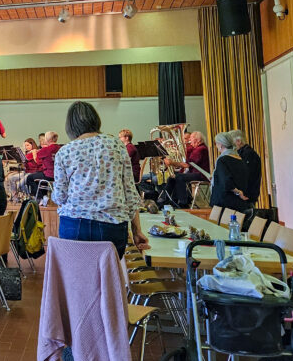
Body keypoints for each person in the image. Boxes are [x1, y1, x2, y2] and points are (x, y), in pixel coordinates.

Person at [52, 101, 149, 258]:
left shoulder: (64, 152)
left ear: (70, 126)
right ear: (95, 120)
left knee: (77, 278)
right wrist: (137, 230)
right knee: (108, 278)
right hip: (112, 226)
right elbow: (130, 192)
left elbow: (60, 197)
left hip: (74, 225)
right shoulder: (117, 146)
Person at [163, 131, 210, 208]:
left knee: (179, 177)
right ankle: (167, 200)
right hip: (195, 173)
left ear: (198, 140)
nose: (189, 141)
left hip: (201, 174)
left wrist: (171, 162)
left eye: (191, 139)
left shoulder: (201, 149)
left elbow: (187, 165)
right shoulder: (196, 148)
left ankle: (183, 202)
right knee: (172, 177)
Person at [210, 132, 251, 214]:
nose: (216, 146)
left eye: (216, 143)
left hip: (224, 203)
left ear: (220, 144)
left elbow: (226, 183)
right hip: (238, 203)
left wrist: (238, 192)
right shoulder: (240, 159)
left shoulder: (222, 160)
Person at [231, 129, 262, 206]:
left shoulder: (248, 154)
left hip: (246, 196)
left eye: (231, 143)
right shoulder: (244, 153)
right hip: (244, 195)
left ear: (238, 141)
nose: (230, 147)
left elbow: (246, 176)